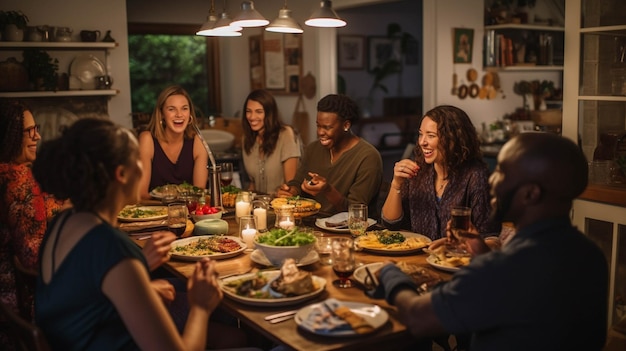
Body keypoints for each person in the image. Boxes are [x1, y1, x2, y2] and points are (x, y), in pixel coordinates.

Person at [369, 132, 609, 351]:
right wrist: (482, 252)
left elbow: (418, 319)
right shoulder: (590, 253)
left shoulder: (506, 267)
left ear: (531, 194)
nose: (492, 180)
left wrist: (391, 273)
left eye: (503, 172)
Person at [31, 118, 249, 350]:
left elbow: (80, 297)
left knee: (233, 334)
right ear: (121, 174)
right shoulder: (110, 247)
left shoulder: (63, 222)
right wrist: (200, 307)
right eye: (138, 159)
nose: (144, 167)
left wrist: (140, 290)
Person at [0, 100, 65, 348]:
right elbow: (33, 257)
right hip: (20, 307)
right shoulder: (18, 178)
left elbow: (28, 207)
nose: (37, 135)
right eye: (30, 131)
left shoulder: (6, 173)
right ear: (10, 135)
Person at [381, 105, 500, 241]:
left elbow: (490, 237)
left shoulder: (476, 176)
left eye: (431, 136)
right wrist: (396, 184)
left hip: (458, 260)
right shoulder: (417, 171)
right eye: (420, 134)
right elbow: (390, 224)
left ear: (453, 139)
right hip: (416, 258)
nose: (422, 142)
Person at [276, 94, 382, 214]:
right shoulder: (312, 149)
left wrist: (328, 190)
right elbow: (298, 182)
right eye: (318, 126)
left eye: (327, 127)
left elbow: (356, 211)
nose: (320, 132)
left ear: (346, 125)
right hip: (313, 225)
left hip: (350, 230)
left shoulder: (368, 157)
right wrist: (290, 191)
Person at [138, 85, 208, 199]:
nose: (179, 114)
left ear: (190, 113)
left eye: (184, 108)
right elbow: (141, 194)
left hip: (187, 212)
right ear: (161, 114)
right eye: (171, 109)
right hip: (154, 212)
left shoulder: (197, 141)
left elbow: (199, 192)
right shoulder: (147, 139)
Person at [241, 89, 301, 194]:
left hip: (281, 205)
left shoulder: (286, 135)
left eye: (259, 112)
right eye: (248, 111)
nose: (252, 117)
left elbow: (291, 186)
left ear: (269, 113)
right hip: (259, 205)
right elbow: (253, 183)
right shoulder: (246, 139)